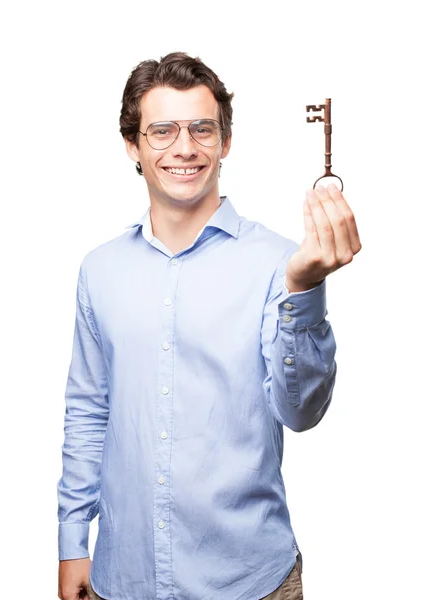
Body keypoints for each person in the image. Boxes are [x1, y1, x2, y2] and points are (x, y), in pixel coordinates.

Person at [57, 51, 361, 600]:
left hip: (251, 583)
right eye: (162, 131)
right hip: (122, 579)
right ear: (132, 145)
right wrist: (72, 539)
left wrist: (304, 290)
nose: (185, 147)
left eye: (202, 129)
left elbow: (302, 413)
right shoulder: (98, 270)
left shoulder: (279, 263)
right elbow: (88, 411)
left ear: (224, 142)